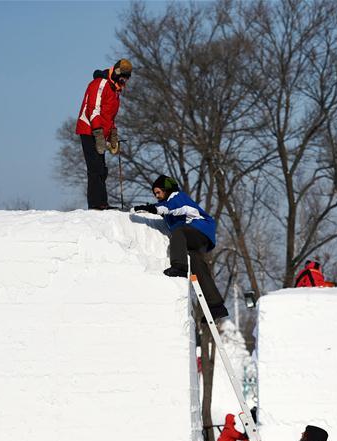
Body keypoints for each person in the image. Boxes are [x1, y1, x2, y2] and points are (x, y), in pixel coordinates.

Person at [134, 175, 229, 320]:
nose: (157, 196)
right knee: (197, 265)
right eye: (155, 194)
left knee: (179, 232)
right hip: (196, 240)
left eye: (158, 192)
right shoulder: (167, 205)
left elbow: (175, 208)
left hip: (200, 229)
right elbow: (167, 212)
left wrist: (152, 208)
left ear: (167, 189)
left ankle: (179, 266)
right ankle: (216, 305)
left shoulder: (177, 197)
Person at [75, 59, 132, 210]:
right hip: (89, 130)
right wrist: (98, 132)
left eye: (127, 77)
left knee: (102, 169)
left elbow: (109, 116)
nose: (124, 80)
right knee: (95, 168)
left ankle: (102, 202)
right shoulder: (100, 83)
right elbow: (93, 108)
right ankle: (95, 204)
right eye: (123, 76)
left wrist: (113, 133)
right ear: (117, 72)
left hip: (100, 133)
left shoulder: (116, 91)